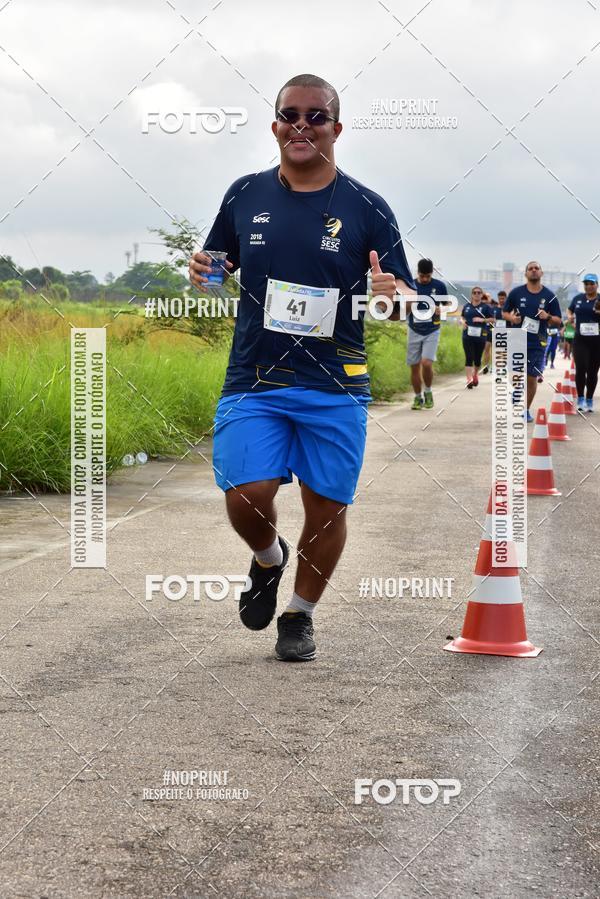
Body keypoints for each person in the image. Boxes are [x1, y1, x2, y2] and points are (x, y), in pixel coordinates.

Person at [188, 73, 415, 662]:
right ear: (274, 126)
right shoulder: (245, 194)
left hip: (336, 383)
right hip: (255, 379)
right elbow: (217, 267)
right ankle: (267, 556)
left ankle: (300, 615)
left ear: (337, 128)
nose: (302, 125)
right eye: (290, 114)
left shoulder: (368, 207)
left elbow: (398, 302)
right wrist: (202, 271)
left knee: (327, 506)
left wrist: (390, 291)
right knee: (245, 493)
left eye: (316, 116)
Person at [503, 261, 562, 422]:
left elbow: (558, 320)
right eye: (531, 269)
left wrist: (548, 316)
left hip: (538, 342)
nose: (534, 271)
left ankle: (526, 409)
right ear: (526, 273)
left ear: (541, 273)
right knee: (514, 374)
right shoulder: (516, 293)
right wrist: (512, 318)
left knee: (531, 376)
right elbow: (504, 313)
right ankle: (517, 387)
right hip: (517, 339)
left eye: (537, 268)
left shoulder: (550, 296)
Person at [405, 258, 447, 410]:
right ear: (418, 273)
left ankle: (428, 391)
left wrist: (441, 310)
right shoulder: (411, 285)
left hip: (432, 330)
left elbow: (448, 305)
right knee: (414, 366)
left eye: (427, 276)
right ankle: (417, 397)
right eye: (422, 276)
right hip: (414, 329)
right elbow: (403, 306)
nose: (424, 279)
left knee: (426, 363)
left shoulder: (439, 286)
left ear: (432, 274)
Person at [568, 274, 600, 411]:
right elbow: (570, 309)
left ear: (597, 285)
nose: (588, 286)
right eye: (586, 284)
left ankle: (589, 399)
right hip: (580, 339)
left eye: (591, 284)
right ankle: (580, 398)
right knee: (581, 368)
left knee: (593, 371)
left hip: (597, 341)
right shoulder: (578, 298)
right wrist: (570, 317)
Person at [460, 287, 494, 388]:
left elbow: (493, 319)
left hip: (480, 336)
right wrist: (462, 321)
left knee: (477, 359)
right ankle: (469, 380)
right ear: (472, 294)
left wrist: (482, 320)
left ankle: (475, 374)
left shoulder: (486, 307)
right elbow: (462, 317)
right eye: (474, 293)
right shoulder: (467, 306)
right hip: (467, 335)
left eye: (479, 293)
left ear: (481, 295)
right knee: (469, 357)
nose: (476, 294)